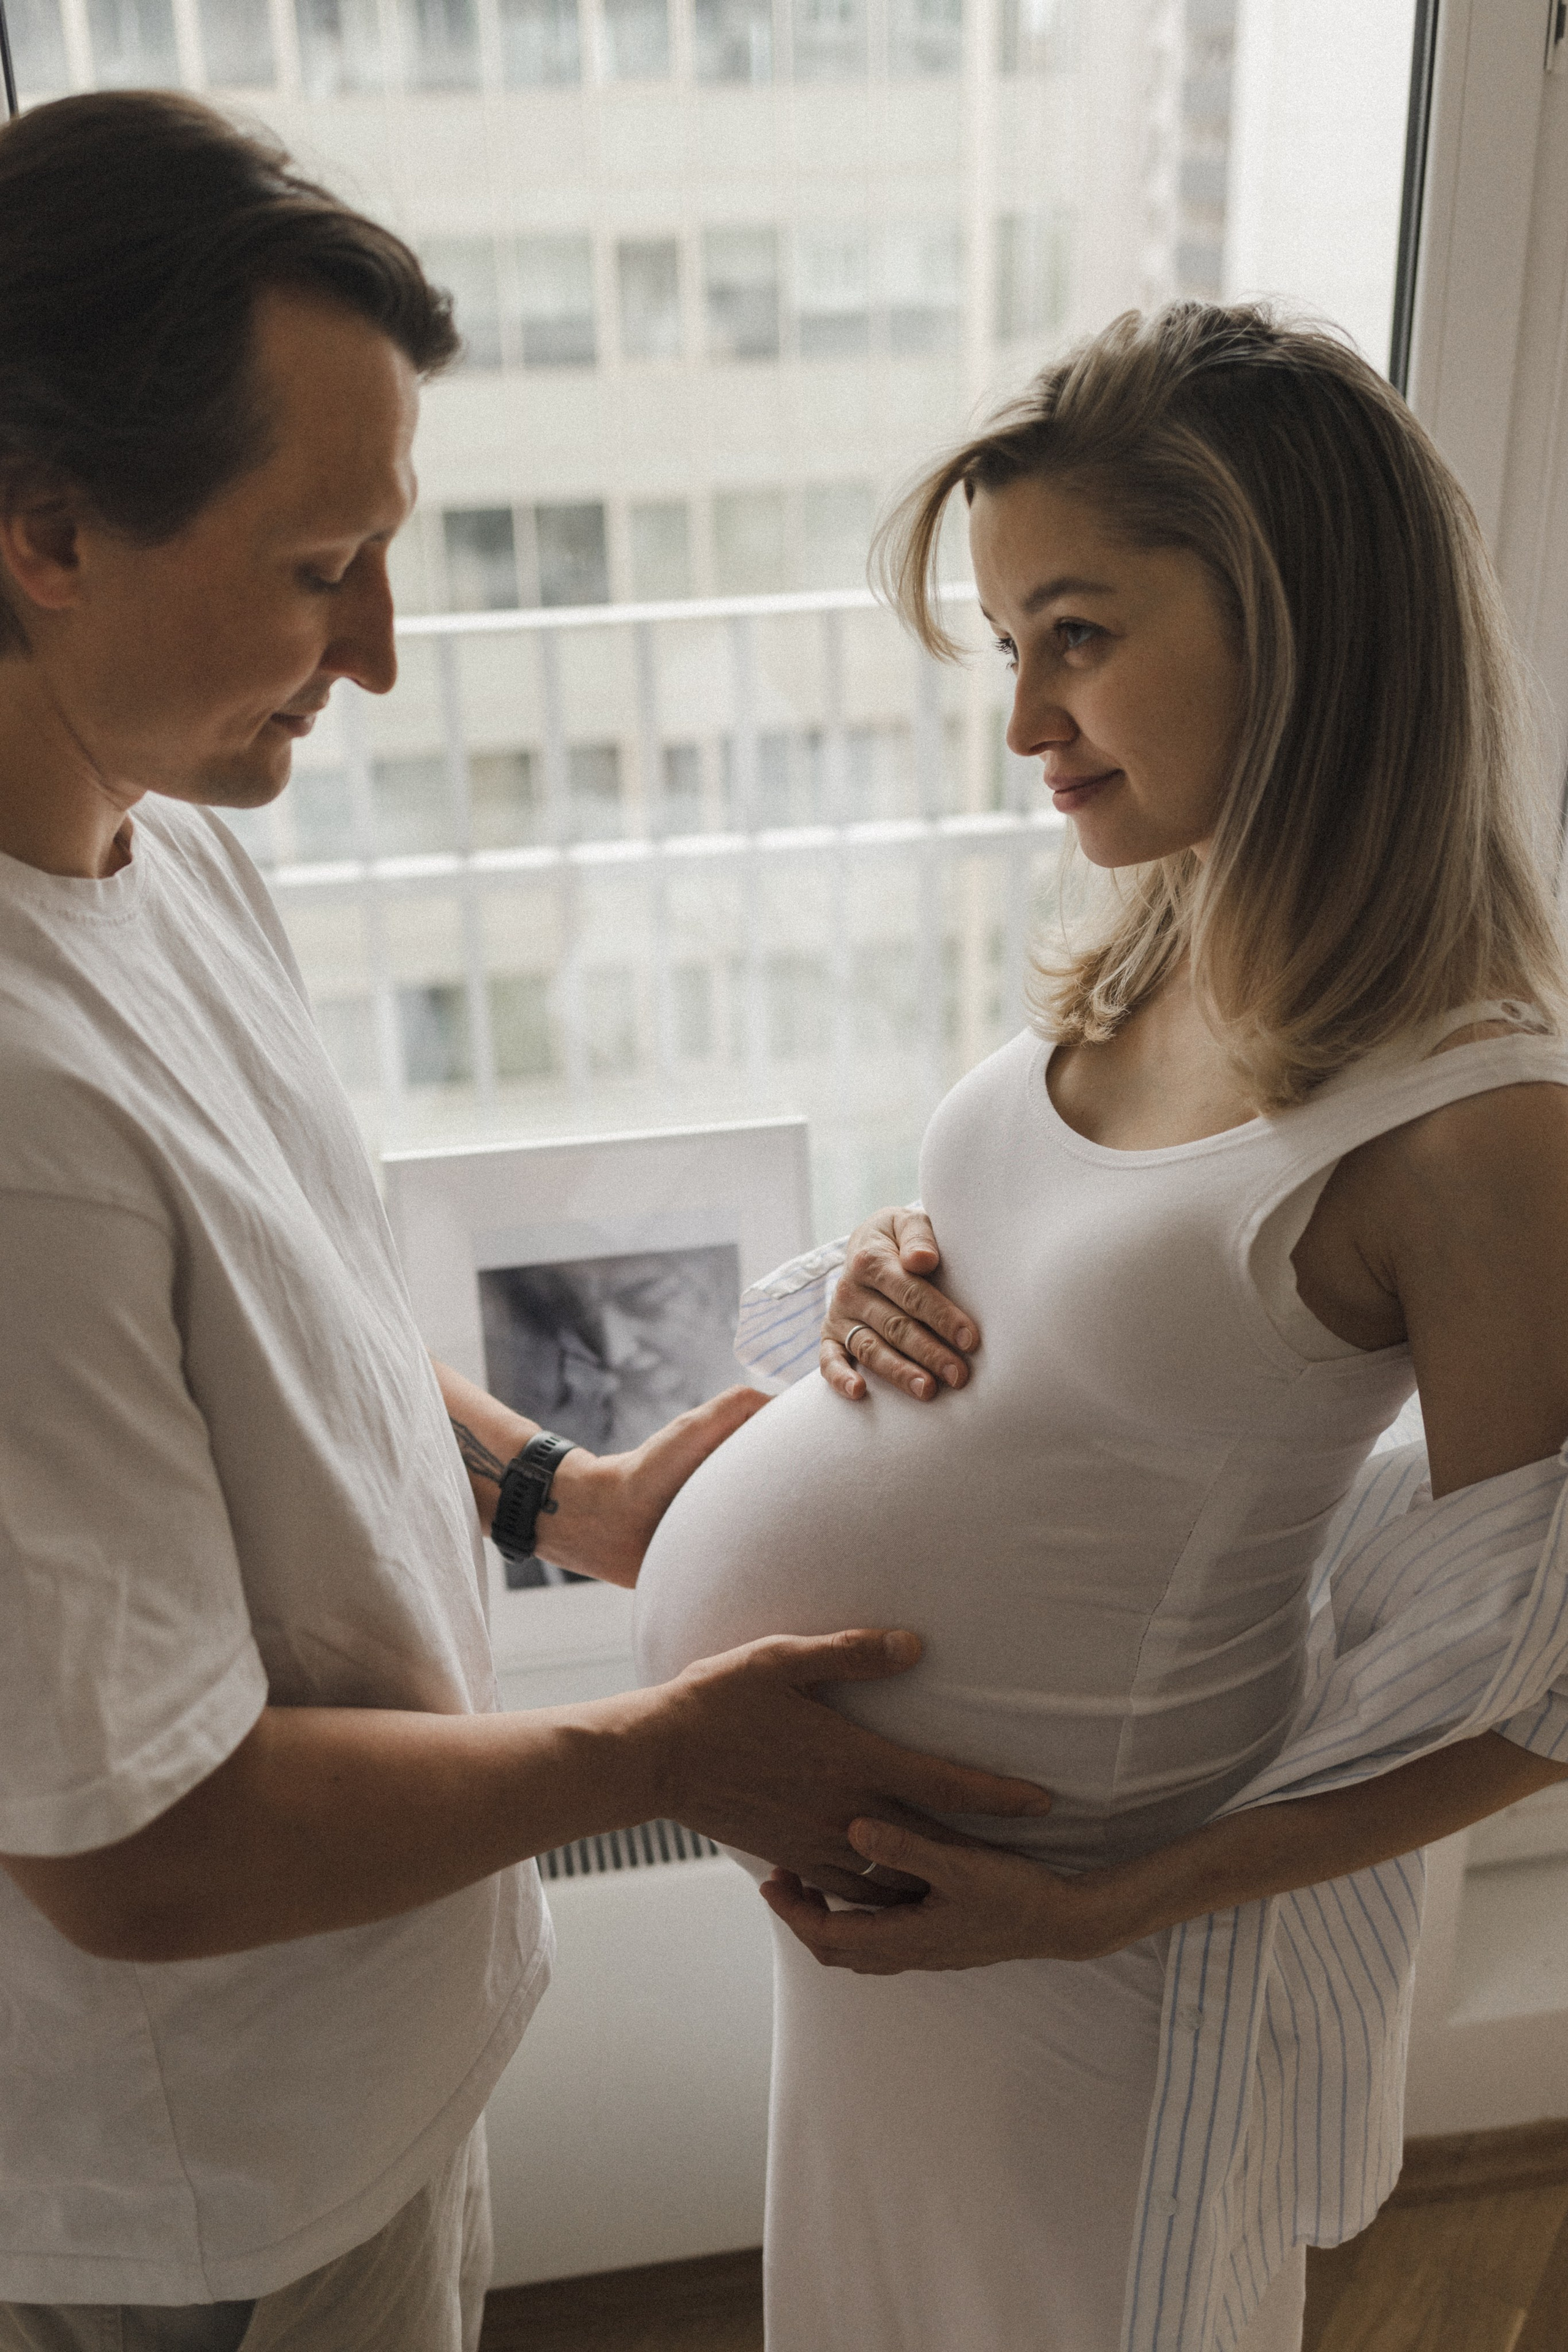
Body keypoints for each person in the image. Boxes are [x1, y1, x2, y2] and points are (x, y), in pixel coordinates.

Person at [0, 92, 1051, 2352]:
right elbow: (134, 1849)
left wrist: (556, 1497)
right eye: (317, 568)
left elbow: (282, 1306)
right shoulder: (13, 1132)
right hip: (208, 2202)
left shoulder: (159, 836)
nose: (376, 652)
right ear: (47, 532)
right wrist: (666, 1755)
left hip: (353, 2074)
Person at [633, 303, 1568, 2351]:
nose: (1027, 720)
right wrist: (906, 1259)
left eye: (1076, 633)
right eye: (1007, 647)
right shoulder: (1175, 918)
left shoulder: (1483, 1123)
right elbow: (1101, 1306)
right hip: (899, 1928)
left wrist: (1100, 1905)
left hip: (1079, 1956)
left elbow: (1547, 1684)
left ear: (1296, 618)